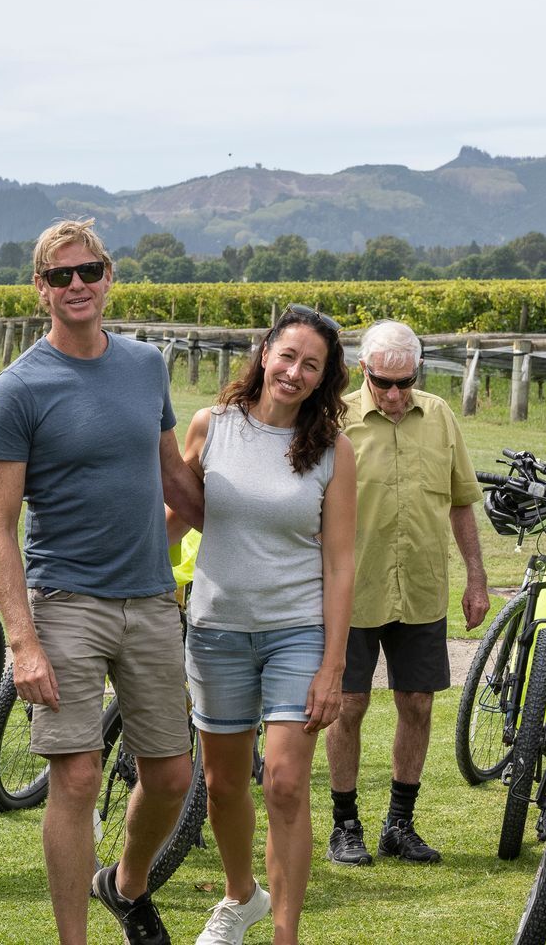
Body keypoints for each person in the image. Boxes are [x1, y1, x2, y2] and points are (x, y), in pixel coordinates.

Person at [0, 219, 204, 945]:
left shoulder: (147, 366)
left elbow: (176, 480)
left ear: (109, 277)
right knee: (75, 780)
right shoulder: (18, 390)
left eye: (88, 271)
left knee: (172, 777)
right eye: (59, 276)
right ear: (39, 289)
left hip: (149, 599)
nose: (76, 285)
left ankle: (126, 883)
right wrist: (23, 643)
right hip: (64, 602)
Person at [179, 304, 356, 945]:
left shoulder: (333, 451)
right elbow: (176, 517)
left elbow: (340, 566)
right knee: (223, 786)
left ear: (324, 379)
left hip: (296, 631)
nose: (295, 372)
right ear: (264, 353)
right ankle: (240, 897)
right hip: (217, 629)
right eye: (287, 356)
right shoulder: (211, 427)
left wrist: (333, 665)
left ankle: (285, 934)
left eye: (312, 365)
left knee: (283, 783)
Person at [324, 320, 487, 867]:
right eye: (382, 383)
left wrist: (477, 578)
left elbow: (462, 501)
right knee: (348, 705)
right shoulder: (335, 419)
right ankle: (345, 824)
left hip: (420, 589)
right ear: (362, 371)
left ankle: (401, 824)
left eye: (405, 382)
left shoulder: (439, 415)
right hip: (351, 591)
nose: (395, 395)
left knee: (417, 703)